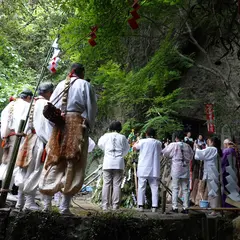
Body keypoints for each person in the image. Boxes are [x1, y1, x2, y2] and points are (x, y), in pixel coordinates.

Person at [39, 63, 97, 214]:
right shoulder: (85, 85)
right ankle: (64, 206)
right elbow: (91, 108)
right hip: (77, 124)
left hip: (59, 125)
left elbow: (51, 107)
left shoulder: (60, 85)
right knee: (73, 163)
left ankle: (46, 205)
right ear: (82, 72)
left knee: (54, 160)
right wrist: (89, 125)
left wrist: (54, 124)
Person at [14, 82, 54, 210]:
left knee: (24, 170)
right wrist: (49, 142)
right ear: (48, 92)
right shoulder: (46, 105)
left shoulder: (30, 103)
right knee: (36, 170)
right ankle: (29, 202)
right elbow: (46, 127)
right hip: (39, 140)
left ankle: (20, 202)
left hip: (27, 139)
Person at [0, 89, 33, 201]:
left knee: (5, 162)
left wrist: (4, 136)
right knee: (13, 164)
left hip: (7, 136)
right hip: (17, 136)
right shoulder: (25, 105)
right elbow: (27, 122)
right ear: (28, 97)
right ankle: (6, 190)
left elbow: (3, 120)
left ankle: (4, 189)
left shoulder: (11, 104)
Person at [98, 121, 129, 211]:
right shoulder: (122, 137)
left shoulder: (106, 136)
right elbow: (127, 149)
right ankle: (115, 206)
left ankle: (105, 205)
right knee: (117, 184)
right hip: (118, 162)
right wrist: (121, 155)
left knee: (106, 183)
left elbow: (100, 144)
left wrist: (106, 151)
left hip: (108, 162)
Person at [162, 131, 194, 213]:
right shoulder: (187, 146)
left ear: (176, 138)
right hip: (185, 168)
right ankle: (185, 208)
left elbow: (165, 153)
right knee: (185, 189)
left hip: (176, 168)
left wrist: (171, 156)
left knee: (175, 188)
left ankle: (175, 207)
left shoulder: (173, 145)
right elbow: (192, 155)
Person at [133, 128, 162, 212]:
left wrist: (137, 141)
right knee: (154, 187)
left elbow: (134, 147)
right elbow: (160, 151)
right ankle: (154, 207)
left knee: (141, 186)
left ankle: (140, 206)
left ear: (146, 134)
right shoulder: (158, 143)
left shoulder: (142, 141)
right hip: (154, 168)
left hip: (144, 167)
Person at [195, 136, 222, 215]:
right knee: (215, 191)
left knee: (213, 191)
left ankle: (214, 209)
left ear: (212, 142)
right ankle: (216, 208)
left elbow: (200, 154)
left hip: (212, 173)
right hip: (213, 172)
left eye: (209, 140)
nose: (208, 142)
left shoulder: (212, 149)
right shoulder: (215, 149)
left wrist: (197, 147)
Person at [221, 139, 240, 207]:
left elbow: (222, 161)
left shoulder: (226, 151)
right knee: (233, 189)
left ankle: (227, 205)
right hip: (234, 172)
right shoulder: (235, 150)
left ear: (226, 144)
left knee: (226, 189)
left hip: (226, 172)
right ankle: (234, 205)